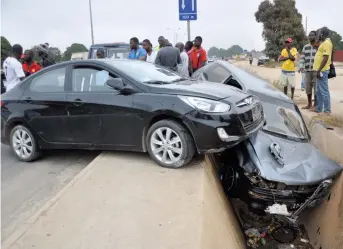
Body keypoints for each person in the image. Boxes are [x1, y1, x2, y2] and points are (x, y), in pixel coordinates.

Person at [313, 27, 333, 115]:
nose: (318, 34)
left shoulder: (327, 43)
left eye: (319, 33)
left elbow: (325, 58)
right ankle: (319, 109)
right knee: (319, 90)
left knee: (324, 91)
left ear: (322, 34)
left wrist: (319, 70)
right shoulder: (323, 43)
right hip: (319, 70)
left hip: (322, 71)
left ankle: (327, 111)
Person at [299, 31, 319, 110]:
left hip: (316, 70)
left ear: (315, 36)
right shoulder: (305, 47)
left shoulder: (318, 46)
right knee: (308, 88)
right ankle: (309, 104)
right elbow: (302, 57)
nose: (311, 37)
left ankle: (315, 105)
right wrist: (301, 66)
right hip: (307, 70)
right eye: (309, 35)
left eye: (312, 35)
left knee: (316, 88)